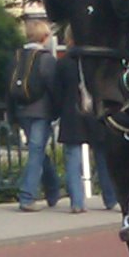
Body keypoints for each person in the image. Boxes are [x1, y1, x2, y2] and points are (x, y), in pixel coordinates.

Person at [7, 19, 62, 211]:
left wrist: (12, 115)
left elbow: (8, 87)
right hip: (41, 111)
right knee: (36, 152)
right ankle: (27, 197)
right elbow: (54, 88)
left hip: (22, 110)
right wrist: (58, 111)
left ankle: (53, 190)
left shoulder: (16, 57)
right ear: (44, 37)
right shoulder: (47, 59)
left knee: (36, 151)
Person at [50, 48, 97, 215]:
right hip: (95, 114)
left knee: (72, 160)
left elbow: (57, 92)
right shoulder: (94, 60)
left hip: (71, 114)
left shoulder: (63, 63)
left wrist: (56, 112)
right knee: (102, 157)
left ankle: (77, 202)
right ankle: (111, 198)